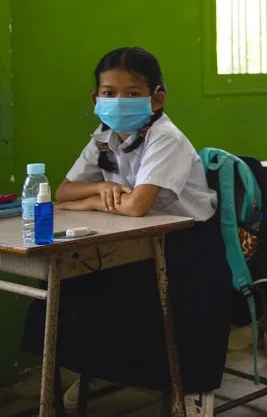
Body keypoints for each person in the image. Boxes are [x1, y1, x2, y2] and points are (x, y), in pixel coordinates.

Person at [20, 48, 233, 417]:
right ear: (95, 99)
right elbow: (63, 191)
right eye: (109, 92)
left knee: (132, 301)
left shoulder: (165, 138)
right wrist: (96, 195)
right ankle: (97, 371)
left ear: (157, 98)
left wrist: (92, 201)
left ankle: (188, 386)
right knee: (69, 293)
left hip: (187, 247)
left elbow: (137, 205)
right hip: (131, 241)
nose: (119, 102)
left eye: (133, 94)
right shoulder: (104, 137)